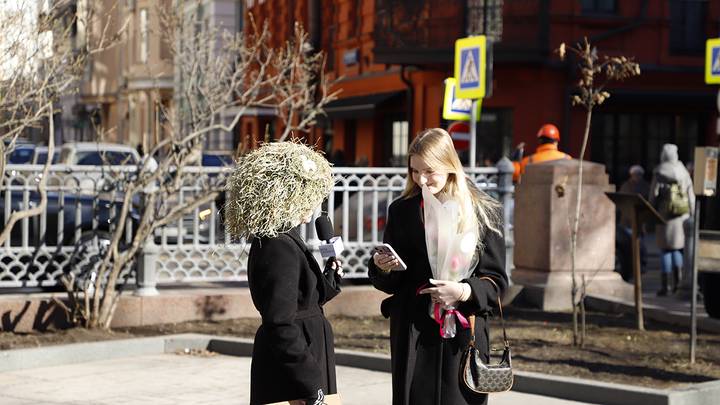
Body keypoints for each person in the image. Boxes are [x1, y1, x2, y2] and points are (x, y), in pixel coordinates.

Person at [368, 128, 508, 405]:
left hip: (465, 334)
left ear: (450, 166)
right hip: (414, 331)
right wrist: (383, 267)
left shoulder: (483, 211)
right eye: (414, 171)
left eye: (429, 171)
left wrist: (463, 291)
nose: (421, 179)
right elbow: (389, 282)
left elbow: (497, 282)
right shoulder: (402, 209)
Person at [225, 141, 342, 405]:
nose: (312, 208)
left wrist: (330, 275)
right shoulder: (276, 245)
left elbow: (303, 296)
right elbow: (280, 321)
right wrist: (310, 383)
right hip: (296, 365)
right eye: (308, 198)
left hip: (305, 351)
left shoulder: (284, 237)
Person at [649, 144, 695, 296]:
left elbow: (653, 196)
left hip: (664, 216)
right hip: (682, 217)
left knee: (665, 250)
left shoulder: (659, 172)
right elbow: (691, 196)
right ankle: (678, 283)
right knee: (677, 249)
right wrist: (692, 214)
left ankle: (665, 286)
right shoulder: (683, 172)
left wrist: (652, 210)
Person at [616, 165, 650, 280]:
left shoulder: (645, 186)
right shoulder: (626, 186)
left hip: (640, 220)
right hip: (627, 221)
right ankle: (635, 266)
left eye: (639, 175)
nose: (637, 177)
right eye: (636, 174)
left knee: (641, 246)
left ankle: (641, 265)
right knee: (631, 245)